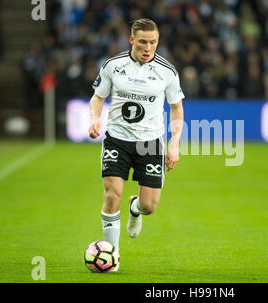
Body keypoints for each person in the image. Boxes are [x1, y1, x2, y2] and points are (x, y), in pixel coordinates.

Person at [88, 18, 184, 272]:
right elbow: (97, 98)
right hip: (117, 139)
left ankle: (135, 207)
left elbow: (176, 109)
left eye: (153, 42)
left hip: (150, 143)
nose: (148, 47)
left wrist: (174, 144)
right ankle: (112, 256)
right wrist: (95, 119)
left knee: (149, 206)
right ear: (131, 40)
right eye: (142, 41)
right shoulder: (113, 66)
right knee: (111, 194)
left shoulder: (167, 72)